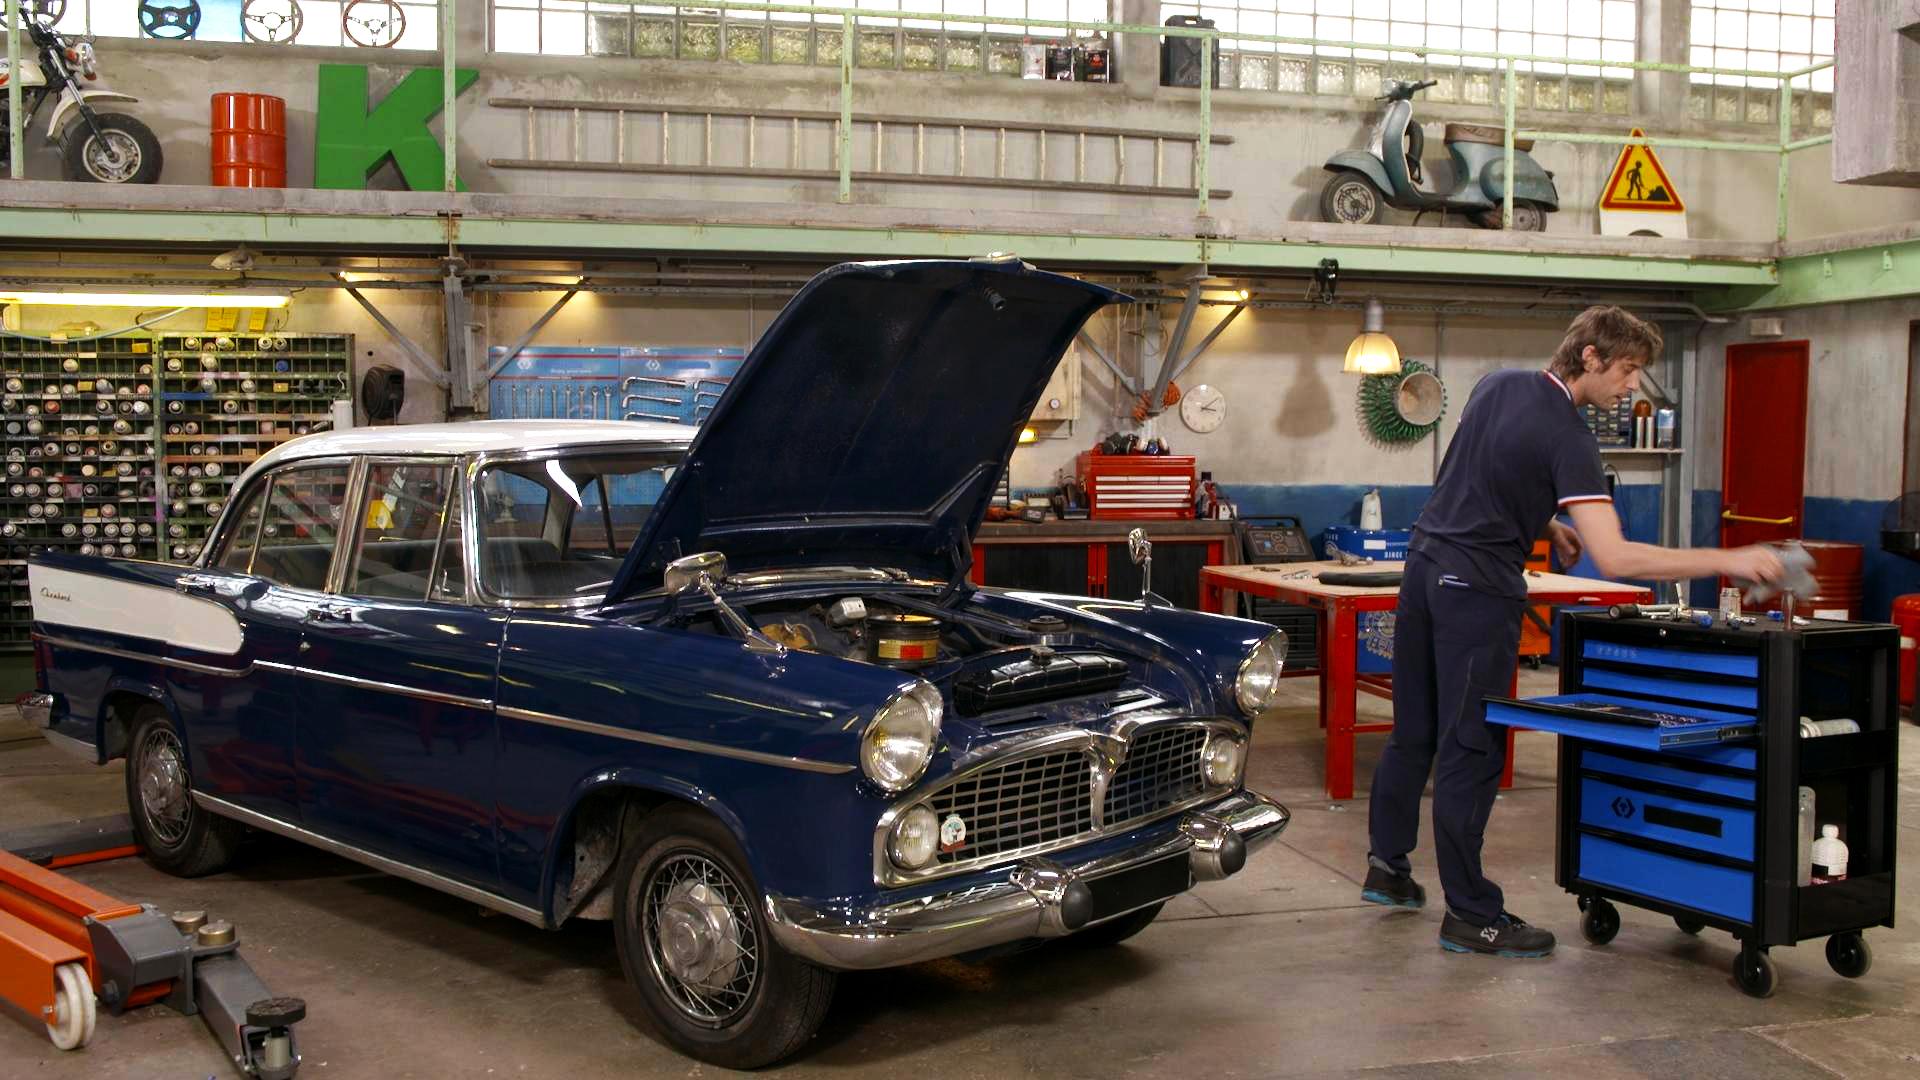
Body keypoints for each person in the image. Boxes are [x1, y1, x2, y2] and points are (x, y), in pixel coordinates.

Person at [1359, 305, 1787, 958]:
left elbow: (1480, 477)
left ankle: (1387, 869)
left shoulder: (1497, 384)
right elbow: (1615, 560)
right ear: (1591, 357)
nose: (1633, 386)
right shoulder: (1570, 437)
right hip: (1476, 593)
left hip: (1423, 571)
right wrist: (1727, 559)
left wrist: (1545, 524)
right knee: (1470, 750)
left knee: (1414, 732)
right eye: (1629, 369)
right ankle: (1473, 915)